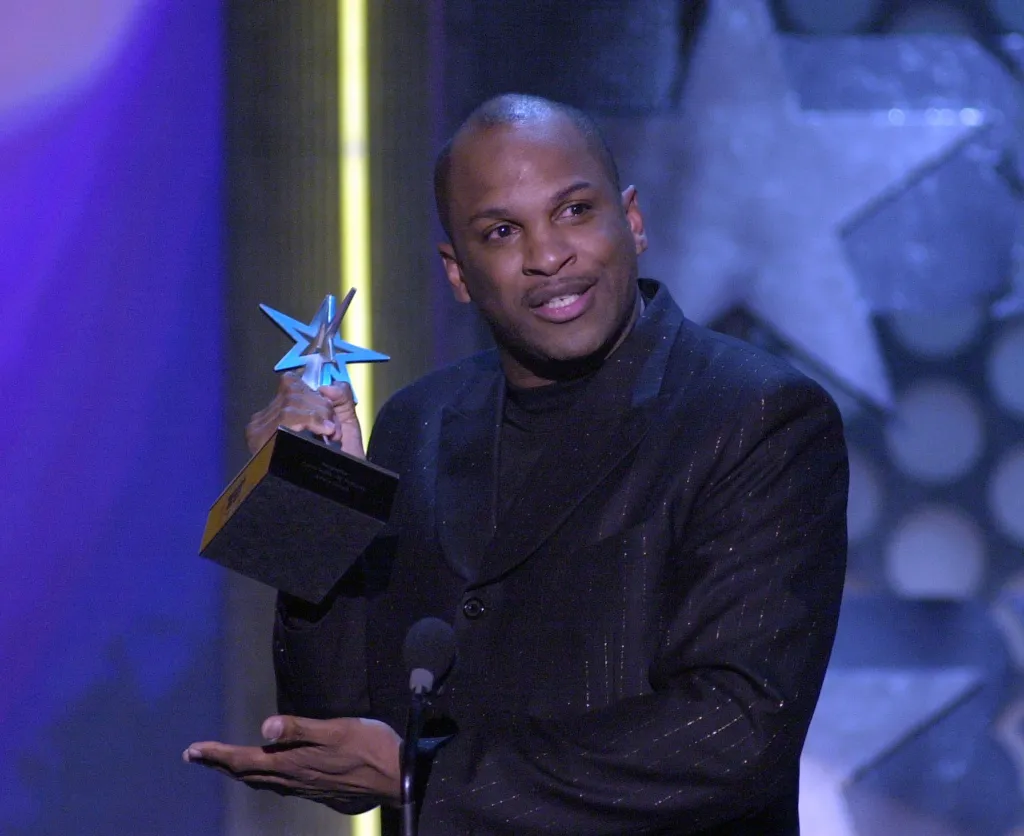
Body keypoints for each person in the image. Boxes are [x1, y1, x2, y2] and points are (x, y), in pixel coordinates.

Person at [185, 93, 848, 835]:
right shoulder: (420, 423)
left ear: (631, 221)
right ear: (458, 271)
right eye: (501, 231)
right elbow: (342, 761)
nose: (547, 256)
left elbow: (734, 733)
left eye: (573, 211)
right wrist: (315, 498)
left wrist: (429, 774)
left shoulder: (754, 414)